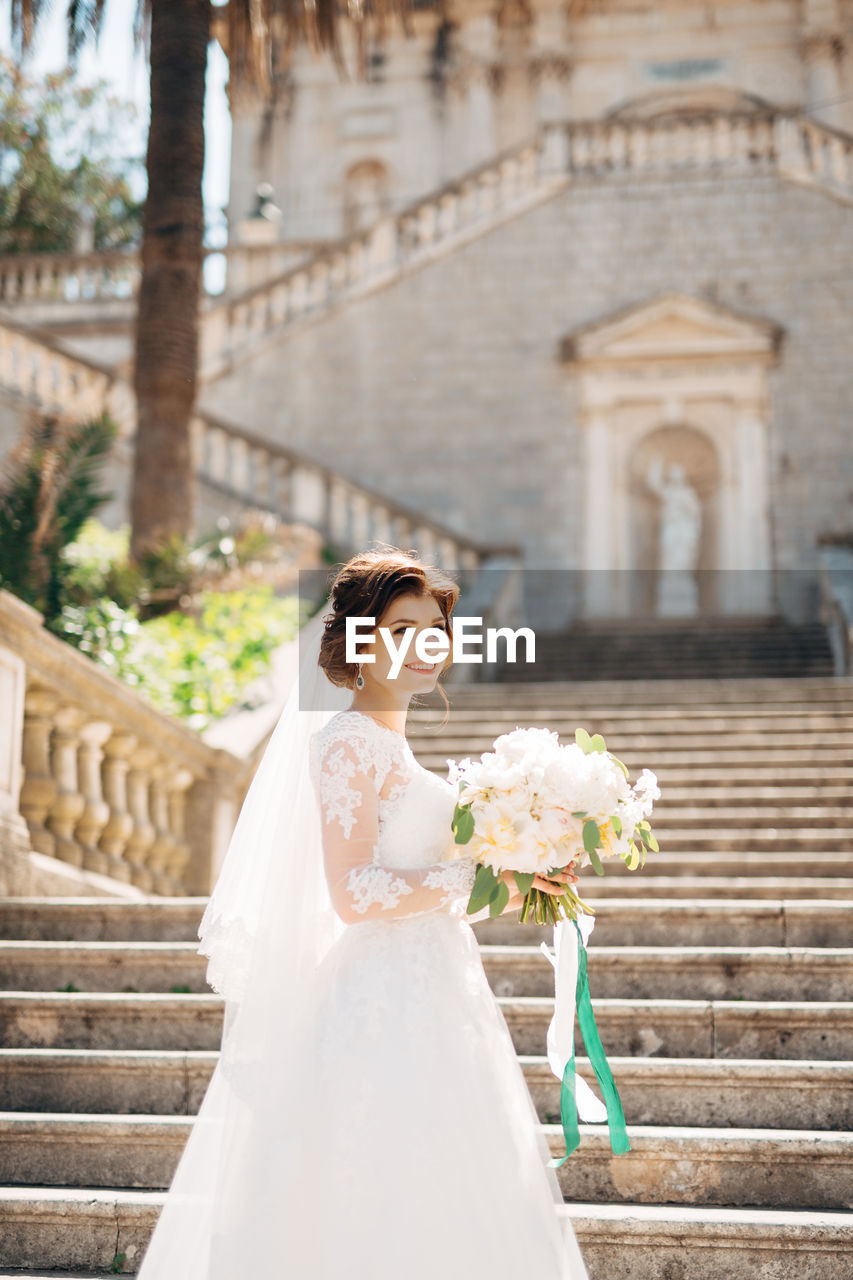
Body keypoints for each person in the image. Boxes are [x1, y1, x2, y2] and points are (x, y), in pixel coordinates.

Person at [134, 546, 589, 1280]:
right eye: (403, 626)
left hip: (435, 988)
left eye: (436, 628)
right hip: (380, 999)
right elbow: (353, 894)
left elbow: (423, 884)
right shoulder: (347, 743)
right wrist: (474, 878)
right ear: (357, 640)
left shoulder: (394, 748)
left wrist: (514, 875)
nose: (426, 643)